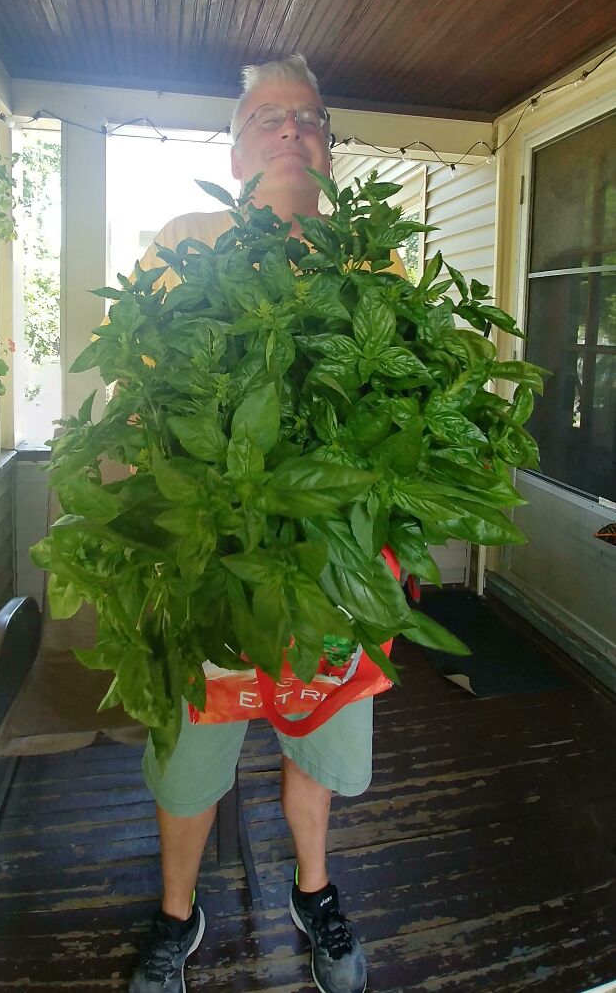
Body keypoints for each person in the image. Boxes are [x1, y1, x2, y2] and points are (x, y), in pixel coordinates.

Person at [128, 55, 406, 993]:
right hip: (211, 564)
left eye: (311, 119)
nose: (292, 128)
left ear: (328, 146)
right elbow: (143, 395)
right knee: (191, 760)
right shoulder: (185, 238)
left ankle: (313, 889)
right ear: (237, 146)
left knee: (315, 743)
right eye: (268, 116)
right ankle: (177, 914)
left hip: (327, 572)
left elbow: (402, 407)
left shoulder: (371, 255)